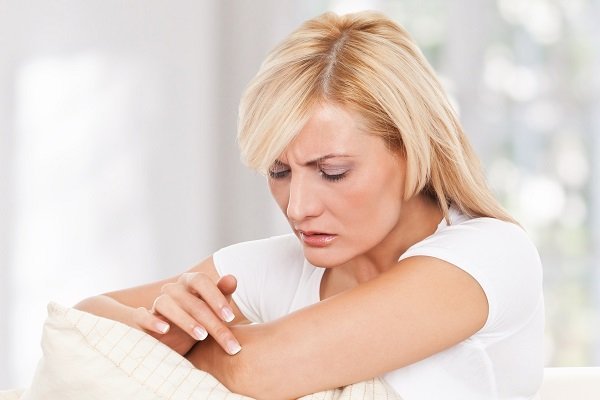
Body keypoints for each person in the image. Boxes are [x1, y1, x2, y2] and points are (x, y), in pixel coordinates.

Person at [75, 10, 544, 400]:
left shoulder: (491, 254)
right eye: (279, 172)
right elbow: (81, 320)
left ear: (411, 150)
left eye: (332, 172)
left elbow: (261, 368)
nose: (298, 207)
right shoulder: (272, 268)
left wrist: (173, 349)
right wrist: (160, 327)